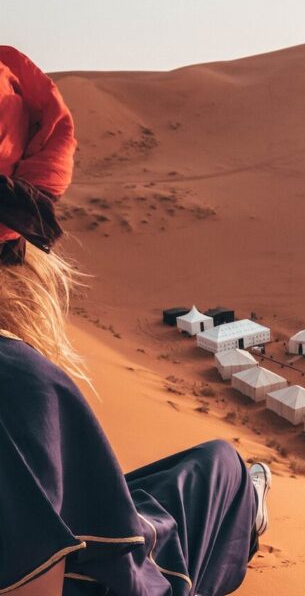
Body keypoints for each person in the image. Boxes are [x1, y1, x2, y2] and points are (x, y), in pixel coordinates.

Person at [0, 45, 271, 596]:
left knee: (195, 472)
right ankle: (250, 508)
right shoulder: (16, 385)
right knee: (218, 476)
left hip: (94, 536)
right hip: (132, 577)